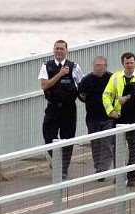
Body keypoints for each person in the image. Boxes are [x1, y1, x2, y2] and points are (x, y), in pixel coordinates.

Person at [102, 52, 135, 187]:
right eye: (127, 63)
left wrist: (128, 97)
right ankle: (119, 175)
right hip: (120, 117)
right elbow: (106, 95)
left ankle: (131, 177)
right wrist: (110, 111)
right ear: (122, 64)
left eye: (132, 63)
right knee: (117, 148)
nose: (129, 65)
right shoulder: (116, 77)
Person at [38, 40, 84, 179]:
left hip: (69, 108)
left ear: (66, 51)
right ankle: (56, 160)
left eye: (61, 49)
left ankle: (63, 168)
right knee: (48, 136)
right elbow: (44, 85)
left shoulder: (74, 67)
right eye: (56, 49)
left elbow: (81, 86)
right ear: (53, 50)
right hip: (52, 107)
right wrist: (60, 74)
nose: (59, 51)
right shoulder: (47, 66)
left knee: (68, 138)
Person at [78, 56, 113, 182]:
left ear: (106, 66)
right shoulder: (87, 80)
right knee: (95, 144)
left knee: (106, 143)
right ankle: (98, 167)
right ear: (93, 66)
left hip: (108, 117)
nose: (99, 67)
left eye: (102, 65)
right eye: (97, 65)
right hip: (92, 117)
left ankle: (103, 169)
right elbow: (81, 95)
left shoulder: (111, 78)